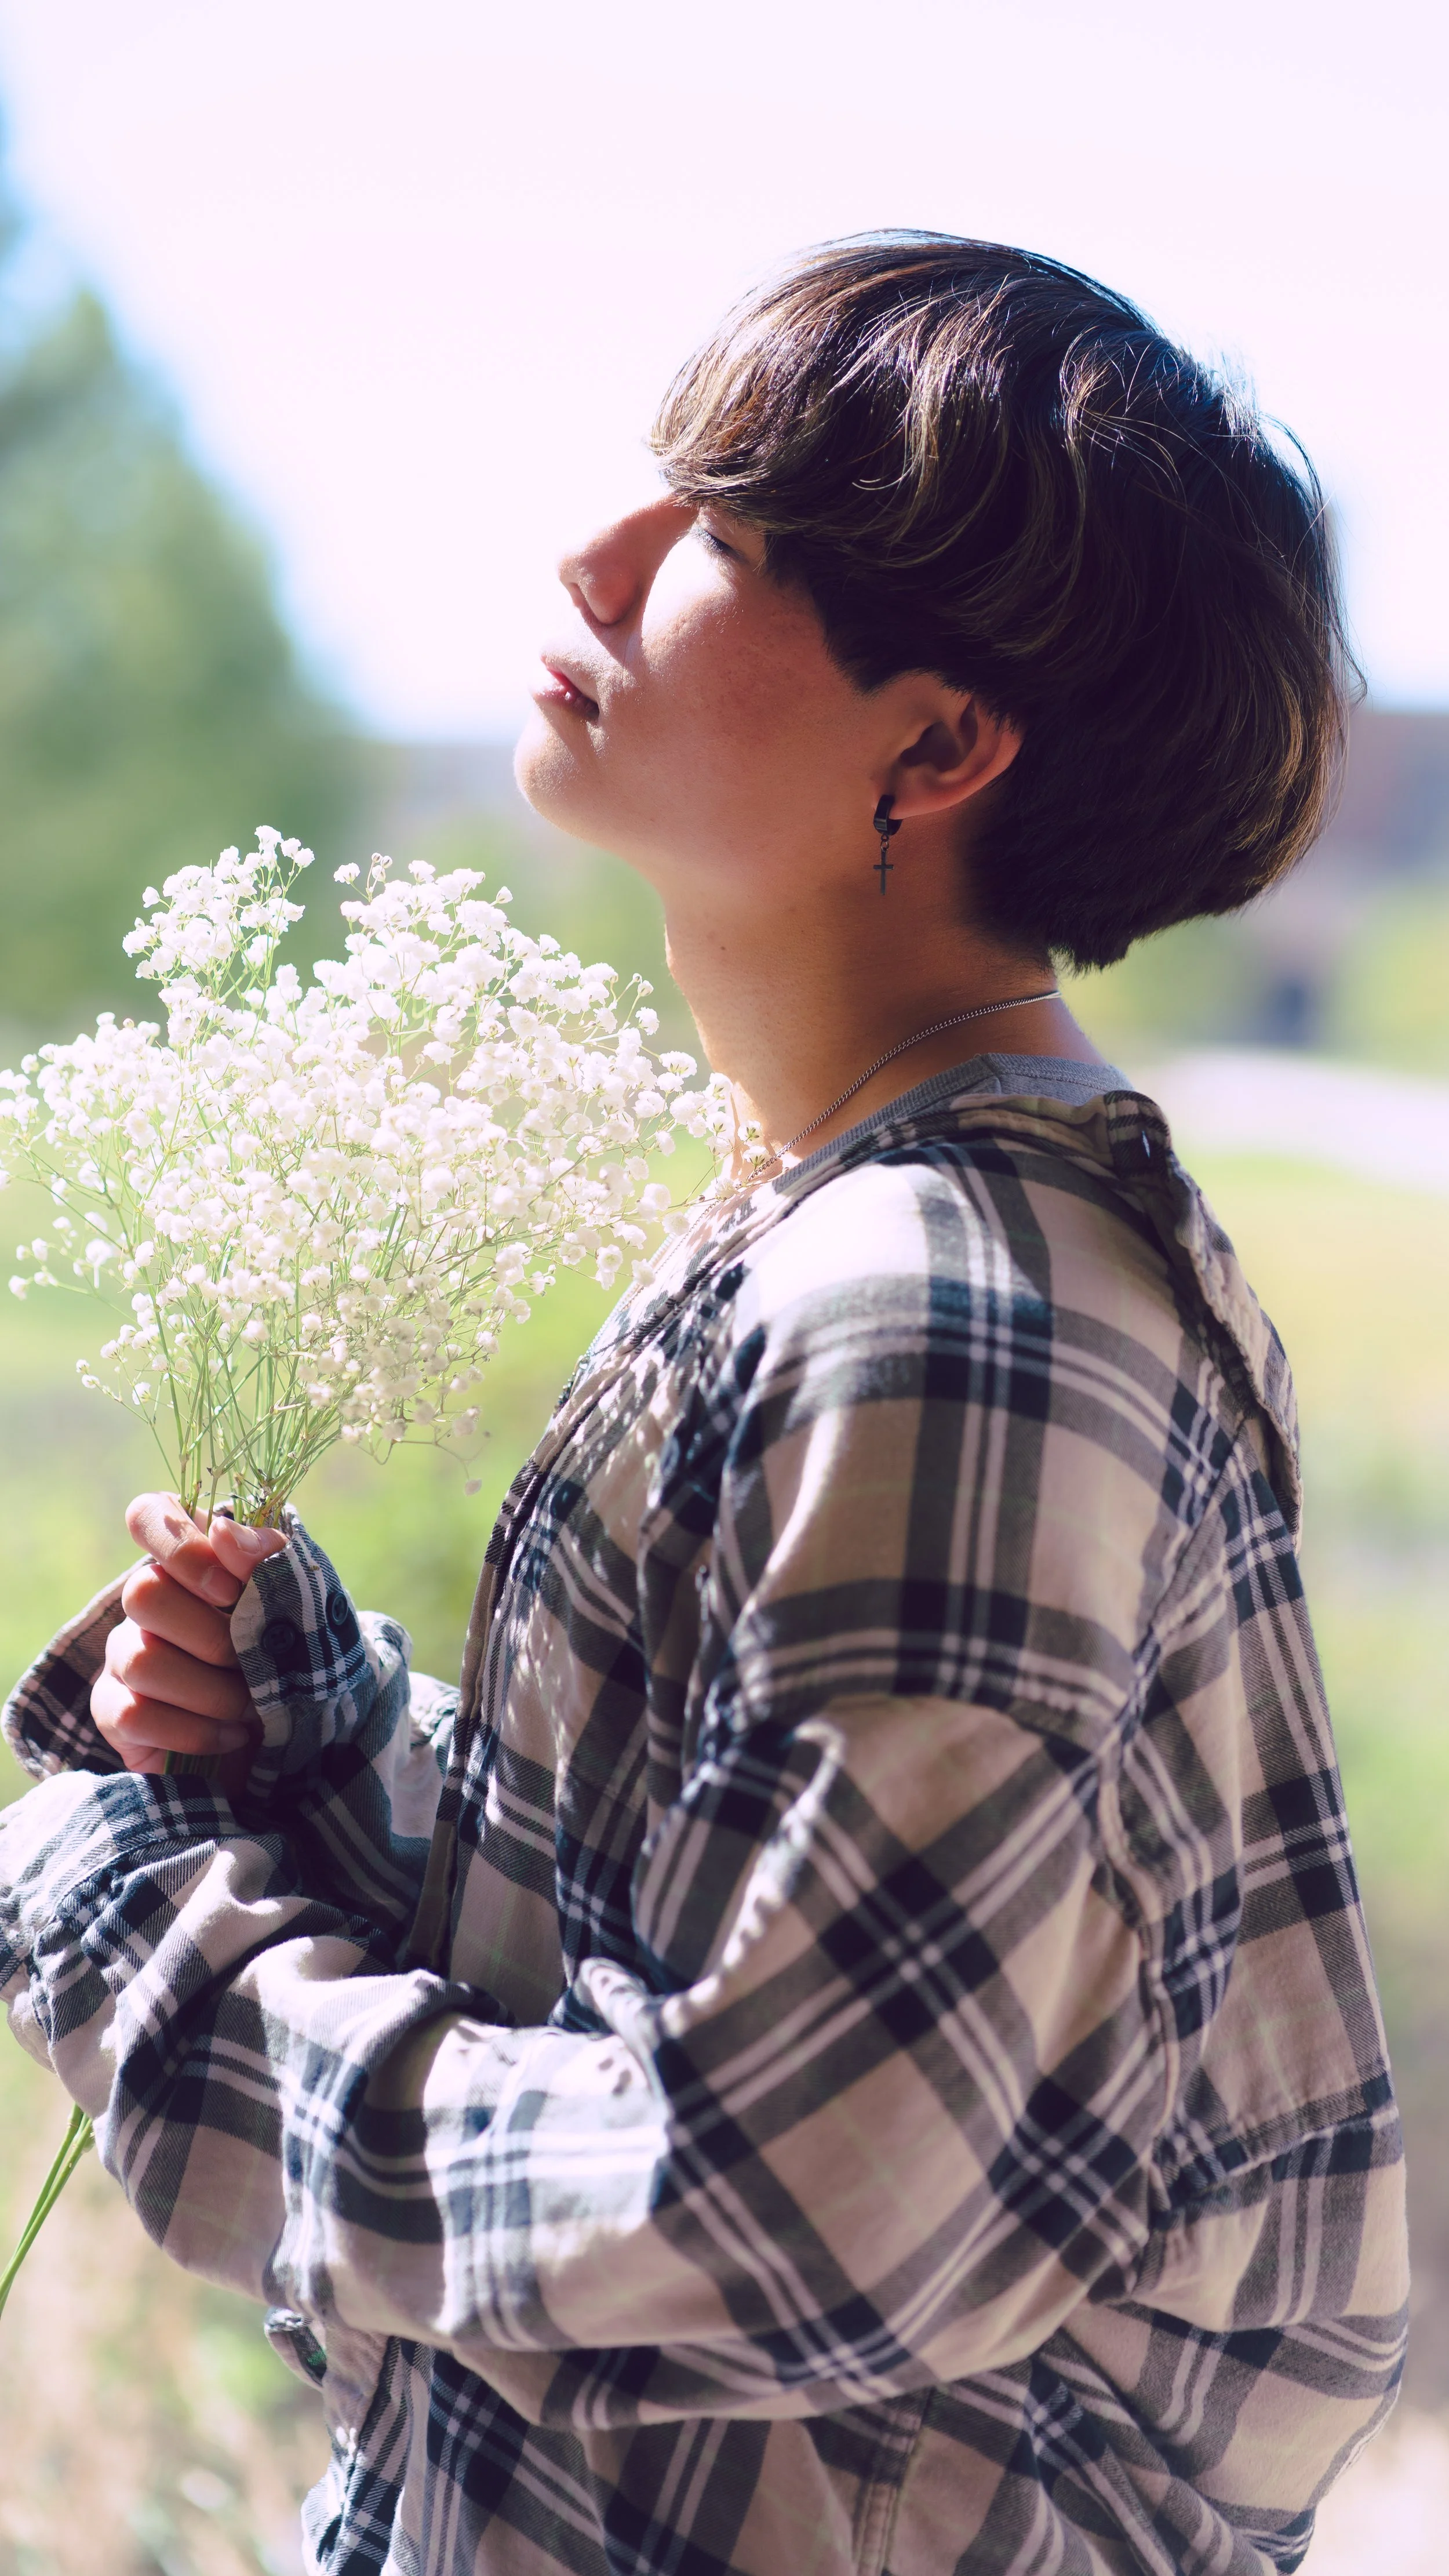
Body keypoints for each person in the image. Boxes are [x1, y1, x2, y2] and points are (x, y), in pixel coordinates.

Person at [0, 235, 1407, 2576]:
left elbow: (769, 2217)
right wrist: (329, 1741)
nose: (599, 559)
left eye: (729, 544)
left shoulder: (947, 1315)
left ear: (940, 747)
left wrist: (132, 1953)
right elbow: (769, 1979)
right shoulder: (877, 1229)